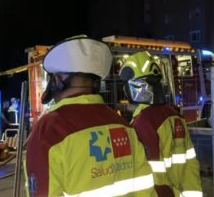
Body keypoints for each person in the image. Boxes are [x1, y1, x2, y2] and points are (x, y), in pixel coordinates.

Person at [26, 36, 157, 197]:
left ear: (58, 80)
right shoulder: (124, 127)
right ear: (95, 82)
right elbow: (146, 190)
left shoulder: (48, 131)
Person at [119, 51, 202, 197]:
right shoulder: (176, 116)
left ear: (139, 87)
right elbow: (191, 166)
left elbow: (150, 178)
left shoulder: (144, 122)